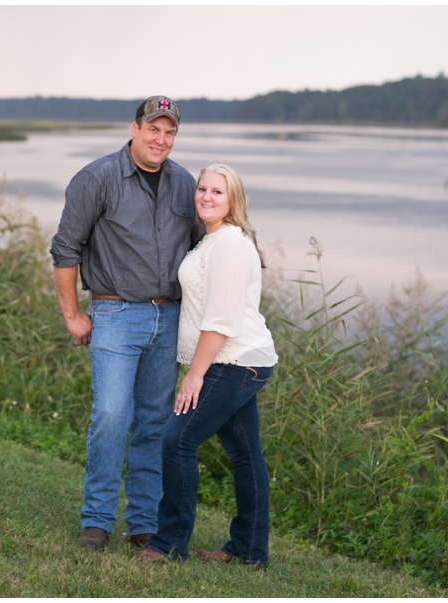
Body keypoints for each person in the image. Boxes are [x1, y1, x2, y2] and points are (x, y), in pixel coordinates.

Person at [49, 96, 198, 551]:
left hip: (168, 318)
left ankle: (142, 524)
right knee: (112, 416)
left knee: (154, 423)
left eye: (169, 132)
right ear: (135, 129)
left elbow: (201, 249)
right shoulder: (97, 178)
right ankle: (96, 520)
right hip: (115, 315)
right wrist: (73, 315)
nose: (161, 139)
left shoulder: (184, 183)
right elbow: (65, 250)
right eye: (153, 129)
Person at [134, 164, 278, 566]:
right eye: (202, 189)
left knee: (177, 440)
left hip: (235, 362)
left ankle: (168, 545)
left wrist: (194, 375)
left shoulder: (230, 243)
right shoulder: (211, 240)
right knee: (246, 456)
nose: (206, 197)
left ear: (233, 199)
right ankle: (249, 551)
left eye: (217, 191)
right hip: (233, 360)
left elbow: (221, 320)